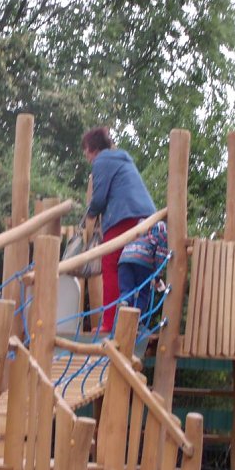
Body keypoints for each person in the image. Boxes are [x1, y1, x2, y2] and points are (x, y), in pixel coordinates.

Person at [82, 126, 157, 333]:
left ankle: (109, 323)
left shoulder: (102, 161)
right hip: (146, 218)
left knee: (110, 263)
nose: (85, 155)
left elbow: (98, 199)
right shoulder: (122, 159)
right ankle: (136, 319)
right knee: (134, 264)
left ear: (92, 148)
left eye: (86, 150)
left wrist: (88, 216)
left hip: (125, 216)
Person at [118, 220, 168, 316]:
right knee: (143, 293)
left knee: (126, 290)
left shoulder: (141, 228)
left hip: (124, 259)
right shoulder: (163, 233)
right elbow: (160, 256)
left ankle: (124, 301)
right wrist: (157, 278)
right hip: (143, 261)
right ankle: (138, 320)